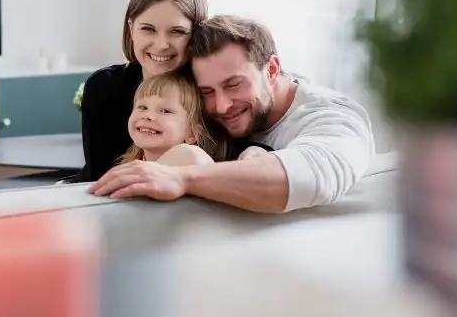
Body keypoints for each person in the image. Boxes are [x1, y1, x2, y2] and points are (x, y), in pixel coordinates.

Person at [89, 15, 375, 213]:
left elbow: (309, 177)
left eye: (234, 84)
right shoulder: (211, 113)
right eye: (207, 92)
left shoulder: (333, 116)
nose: (222, 106)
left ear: (273, 70)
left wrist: (184, 178)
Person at [73, 0, 209, 183]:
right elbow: (98, 176)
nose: (162, 44)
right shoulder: (104, 87)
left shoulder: (208, 88)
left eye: (177, 32)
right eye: (148, 29)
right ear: (131, 28)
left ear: (196, 34)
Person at [119, 70, 216, 167]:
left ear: (192, 134)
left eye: (165, 111)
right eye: (142, 107)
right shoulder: (125, 170)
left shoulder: (197, 166)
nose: (148, 116)